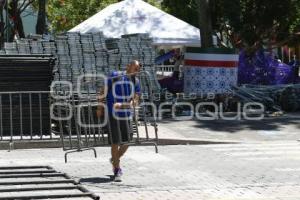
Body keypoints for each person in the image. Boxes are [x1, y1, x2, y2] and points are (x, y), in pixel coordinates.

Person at [97, 60, 141, 182]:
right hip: (112, 114)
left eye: (138, 69)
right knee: (115, 142)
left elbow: (136, 99)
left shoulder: (136, 81)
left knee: (127, 141)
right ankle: (117, 169)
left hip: (126, 115)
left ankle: (114, 158)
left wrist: (124, 105)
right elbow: (103, 91)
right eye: (135, 68)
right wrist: (99, 107)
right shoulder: (115, 75)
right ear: (128, 66)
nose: (136, 71)